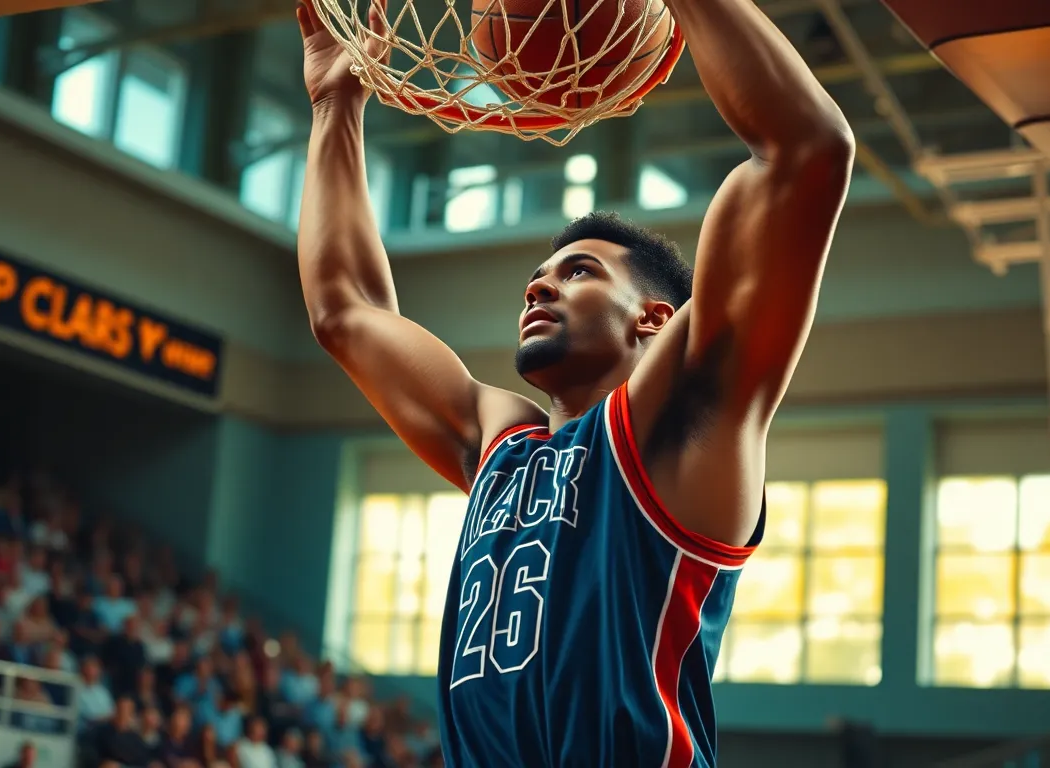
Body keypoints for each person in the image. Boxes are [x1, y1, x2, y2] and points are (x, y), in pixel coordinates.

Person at [293, 0, 854, 764]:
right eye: (535, 278)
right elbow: (345, 311)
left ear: (654, 319)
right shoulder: (502, 442)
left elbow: (807, 152)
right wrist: (335, 105)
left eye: (578, 271)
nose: (538, 289)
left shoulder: (686, 423)